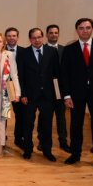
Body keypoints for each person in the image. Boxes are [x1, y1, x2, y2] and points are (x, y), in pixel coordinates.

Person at [61, 18, 93, 172]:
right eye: (81, 28)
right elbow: (64, 75)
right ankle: (75, 154)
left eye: (87, 27)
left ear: (92, 29)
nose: (85, 30)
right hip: (76, 95)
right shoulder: (69, 49)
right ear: (76, 30)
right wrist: (66, 96)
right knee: (75, 125)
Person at [17, 28, 59, 162]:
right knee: (28, 124)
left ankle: (47, 150)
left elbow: (56, 74)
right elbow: (21, 76)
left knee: (46, 125)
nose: (37, 40)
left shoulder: (52, 52)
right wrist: (22, 94)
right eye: (34, 38)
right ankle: (28, 150)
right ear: (30, 39)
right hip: (29, 96)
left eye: (39, 37)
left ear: (43, 37)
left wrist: (58, 94)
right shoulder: (23, 53)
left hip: (48, 96)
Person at [38, 25, 70, 153]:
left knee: (61, 116)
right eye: (51, 33)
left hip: (60, 88)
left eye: (56, 33)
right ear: (46, 34)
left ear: (58, 34)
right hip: (45, 89)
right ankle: (42, 141)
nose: (53, 35)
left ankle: (63, 141)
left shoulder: (65, 50)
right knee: (44, 117)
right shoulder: (41, 49)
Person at [5, 27, 25, 150]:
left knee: (20, 115)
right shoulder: (1, 50)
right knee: (4, 114)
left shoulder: (24, 51)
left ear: (17, 37)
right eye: (9, 36)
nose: (11, 38)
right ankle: (2, 137)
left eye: (14, 35)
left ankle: (18, 138)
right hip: (4, 87)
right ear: (5, 37)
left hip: (18, 88)